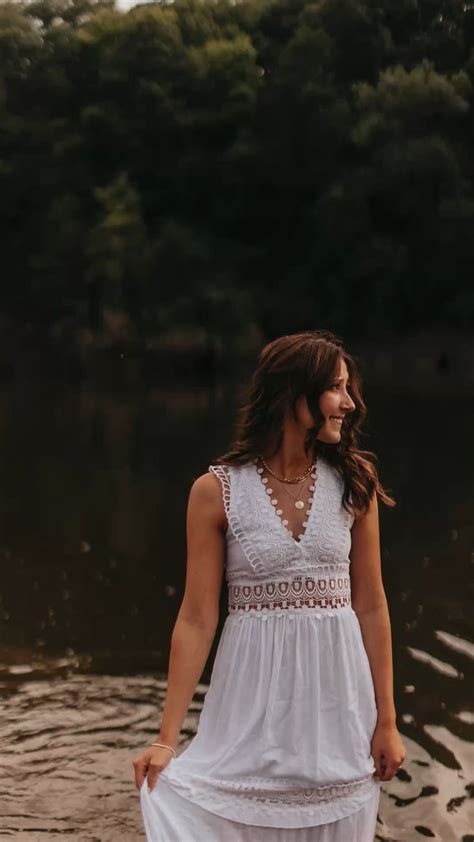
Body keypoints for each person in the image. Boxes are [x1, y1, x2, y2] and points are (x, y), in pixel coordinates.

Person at [133, 329, 406, 841]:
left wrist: (387, 721)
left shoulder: (356, 482)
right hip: (249, 705)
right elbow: (196, 617)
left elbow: (371, 605)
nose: (349, 403)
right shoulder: (215, 492)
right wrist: (167, 739)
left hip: (337, 706)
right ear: (292, 394)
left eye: (348, 389)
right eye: (336, 388)